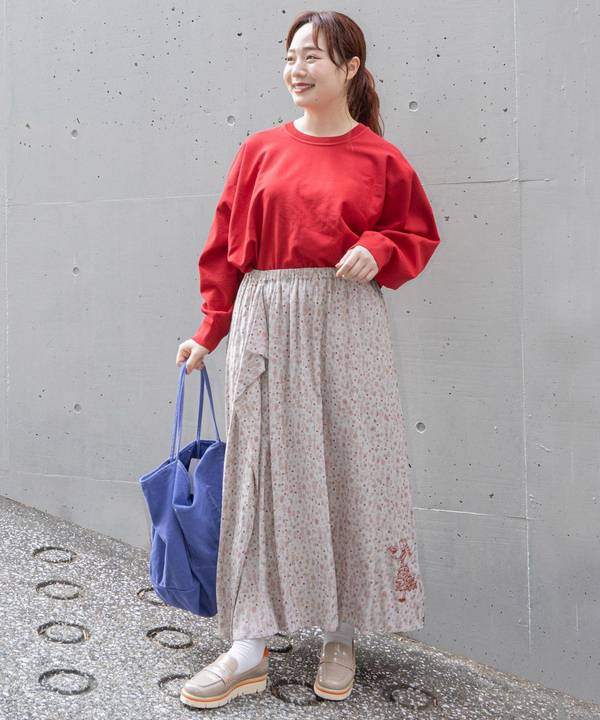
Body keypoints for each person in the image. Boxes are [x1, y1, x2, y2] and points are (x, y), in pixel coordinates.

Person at [175, 9, 441, 710]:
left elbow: (415, 232)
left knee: (351, 466)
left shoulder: (381, 159)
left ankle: (341, 633)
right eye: (291, 56)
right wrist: (208, 330)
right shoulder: (259, 149)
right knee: (262, 474)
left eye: (313, 57)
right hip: (266, 317)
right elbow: (225, 245)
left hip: (346, 321)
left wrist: (379, 247)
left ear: (350, 68)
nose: (297, 69)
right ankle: (248, 645)